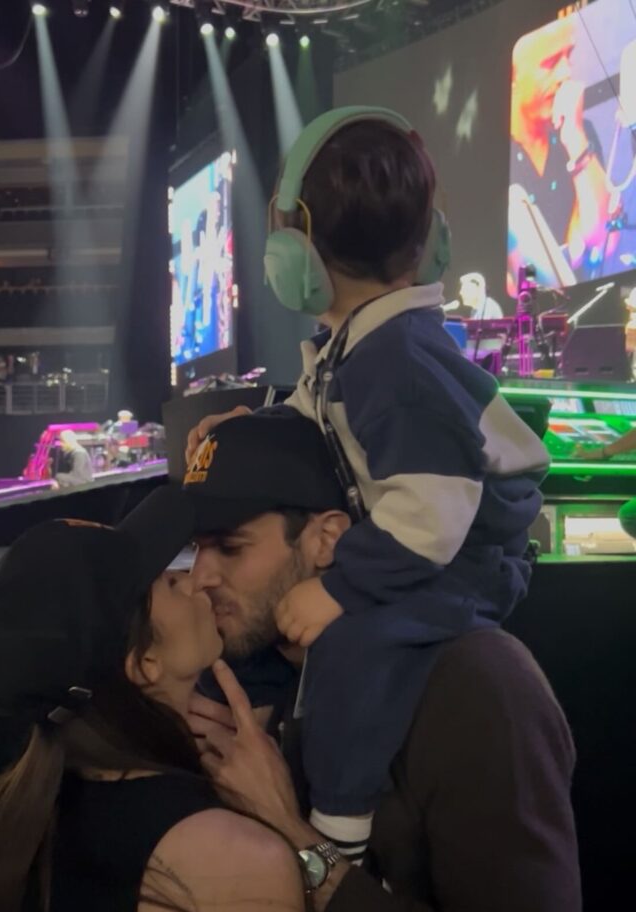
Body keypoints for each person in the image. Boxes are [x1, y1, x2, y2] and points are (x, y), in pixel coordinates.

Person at [187, 108, 550, 863]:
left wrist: (341, 589)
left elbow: (433, 513)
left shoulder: (395, 363)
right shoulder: (362, 342)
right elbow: (318, 410)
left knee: (350, 650)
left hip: (468, 561)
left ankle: (339, 837)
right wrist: (249, 422)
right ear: (431, 237)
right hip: (441, 543)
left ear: (296, 255)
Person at [184, 413, 581, 912]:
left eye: (230, 547)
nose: (200, 578)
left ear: (326, 538)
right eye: (196, 547)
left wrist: (290, 835)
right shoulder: (255, 681)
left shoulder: (476, 684)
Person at [0, 489, 307, 912]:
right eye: (168, 581)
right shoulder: (243, 864)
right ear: (144, 664)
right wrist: (294, 836)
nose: (195, 579)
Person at [508, 16, 618, 290]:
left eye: (568, 56)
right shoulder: (499, 156)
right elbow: (513, 281)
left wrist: (575, 136)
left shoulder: (580, 131)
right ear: (513, 76)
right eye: (550, 63)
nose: (565, 73)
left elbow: (597, 238)